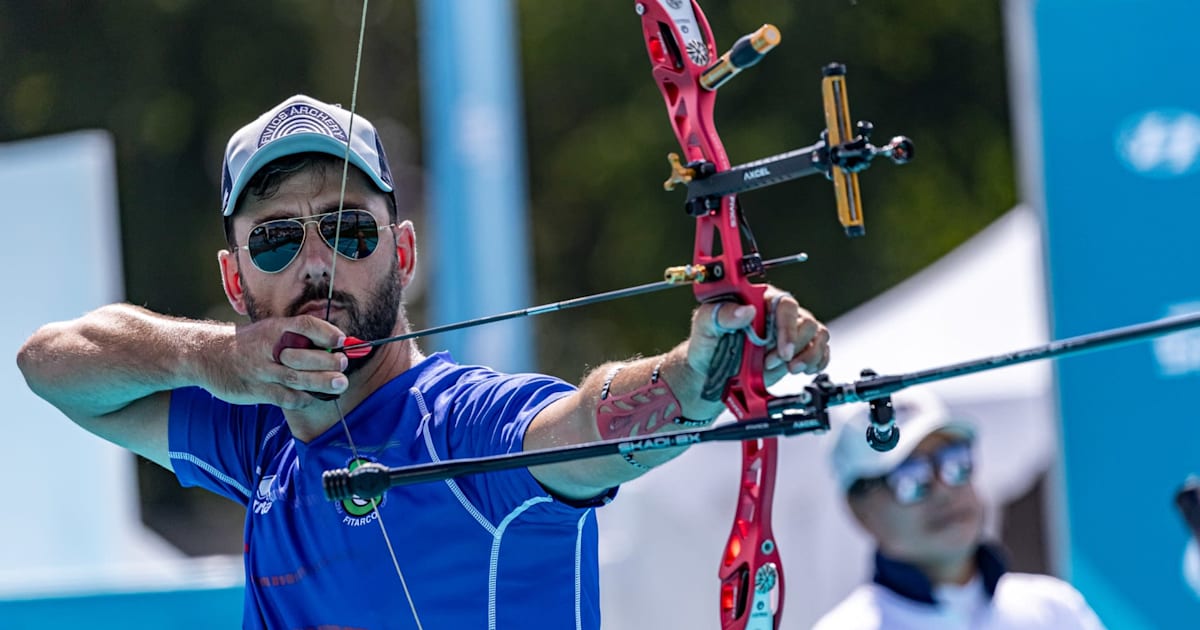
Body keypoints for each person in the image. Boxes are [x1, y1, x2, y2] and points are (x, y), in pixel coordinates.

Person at [16, 94, 831, 629]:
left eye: (350, 230)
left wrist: (698, 372)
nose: (316, 265)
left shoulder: (462, 426)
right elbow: (48, 365)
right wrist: (214, 359)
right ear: (235, 280)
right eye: (275, 239)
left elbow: (582, 425)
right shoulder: (258, 443)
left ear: (402, 253)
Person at [813, 390, 1105, 630]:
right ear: (860, 511)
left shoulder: (1054, 610)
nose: (943, 490)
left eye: (954, 461)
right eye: (910, 477)